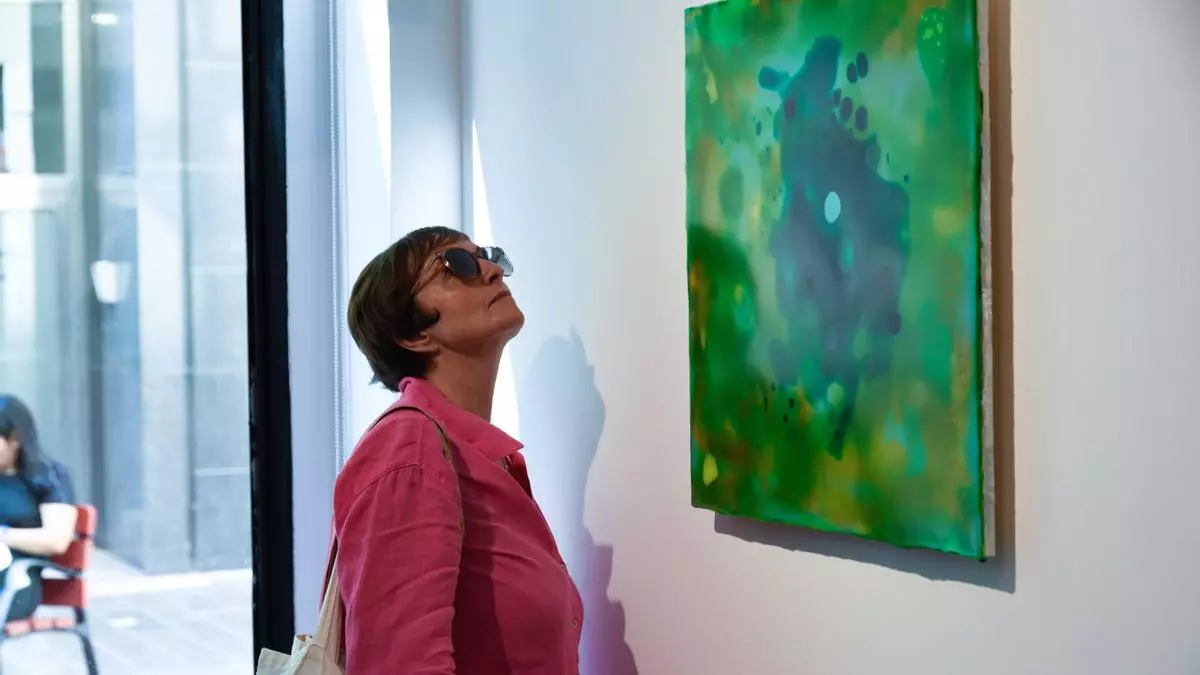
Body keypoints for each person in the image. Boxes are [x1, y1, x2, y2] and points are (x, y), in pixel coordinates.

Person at [338, 226, 583, 674]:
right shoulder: (409, 452)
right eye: (457, 265)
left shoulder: (480, 457)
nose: (491, 271)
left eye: (487, 256)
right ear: (412, 335)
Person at [0, 395, 78, 622]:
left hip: (15, 582)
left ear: (14, 439)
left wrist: (3, 535)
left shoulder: (47, 476)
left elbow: (56, 539)